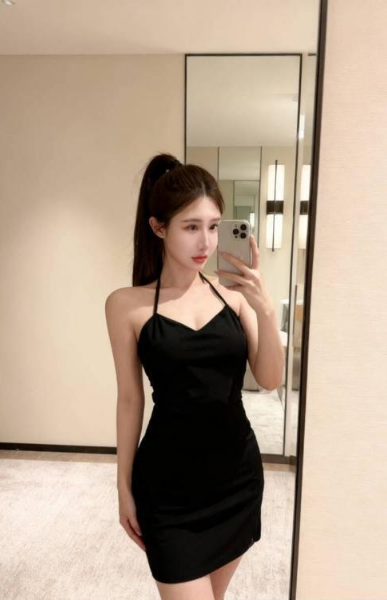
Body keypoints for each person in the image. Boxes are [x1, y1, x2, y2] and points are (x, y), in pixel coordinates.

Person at [105, 153, 284, 600]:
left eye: (214, 226)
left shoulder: (234, 298)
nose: (205, 241)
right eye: (190, 227)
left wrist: (264, 308)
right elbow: (130, 399)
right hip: (168, 491)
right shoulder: (126, 305)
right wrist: (123, 487)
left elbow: (270, 379)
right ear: (158, 228)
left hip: (236, 481)